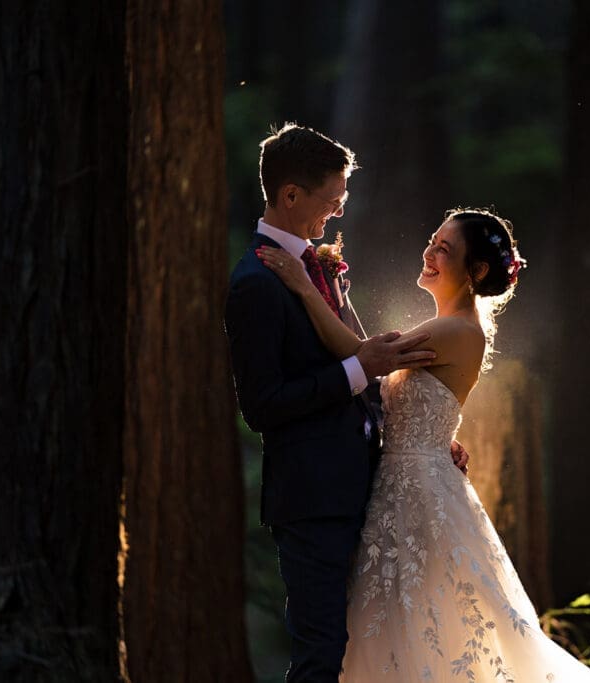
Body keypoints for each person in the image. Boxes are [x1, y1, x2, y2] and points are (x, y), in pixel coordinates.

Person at [258, 208, 590, 682]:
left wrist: (303, 287)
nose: (429, 253)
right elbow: (384, 381)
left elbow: (359, 357)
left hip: (419, 496)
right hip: (402, 485)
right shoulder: (448, 328)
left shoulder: (456, 330)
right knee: (397, 628)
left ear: (475, 271)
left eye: (444, 249)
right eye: (432, 241)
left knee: (418, 626)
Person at [224, 123, 468, 683]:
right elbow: (262, 406)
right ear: (290, 195)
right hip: (313, 498)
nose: (338, 210)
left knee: (375, 646)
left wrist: (429, 438)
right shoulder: (255, 282)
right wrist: (359, 369)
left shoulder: (319, 266)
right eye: (332, 198)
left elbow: (363, 368)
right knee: (322, 650)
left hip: (369, 486)